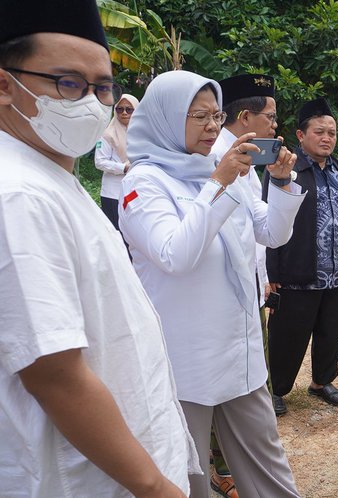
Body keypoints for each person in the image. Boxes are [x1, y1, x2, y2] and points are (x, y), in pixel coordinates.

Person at [0, 2, 196, 496]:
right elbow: (55, 374)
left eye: (102, 86)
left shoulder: (50, 178)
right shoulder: (18, 194)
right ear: (5, 85)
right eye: (68, 82)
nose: (90, 101)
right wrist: (153, 485)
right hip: (88, 478)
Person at [118, 70, 304, 498]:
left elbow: (271, 234)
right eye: (198, 116)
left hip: (239, 351)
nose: (212, 126)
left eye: (216, 116)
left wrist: (278, 182)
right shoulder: (143, 183)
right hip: (186, 362)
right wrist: (217, 183)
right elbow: (174, 255)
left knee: (268, 469)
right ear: (165, 118)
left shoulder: (223, 170)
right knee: (191, 477)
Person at [265, 97, 338, 413]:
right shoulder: (285, 170)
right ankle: (276, 389)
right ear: (300, 135)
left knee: (330, 331)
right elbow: (266, 221)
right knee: (287, 336)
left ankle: (322, 382)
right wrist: (271, 273)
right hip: (298, 273)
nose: (327, 138)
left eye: (332, 133)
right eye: (319, 132)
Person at [207, 72, 280, 498]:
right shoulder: (216, 160)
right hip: (221, 297)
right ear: (246, 115)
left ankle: (239, 463)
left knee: (252, 378)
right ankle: (221, 468)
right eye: (270, 116)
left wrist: (264, 281)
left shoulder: (249, 160)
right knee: (224, 385)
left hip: (250, 290)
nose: (275, 125)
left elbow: (257, 230)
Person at [95, 93, 138, 230]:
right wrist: (123, 168)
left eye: (129, 109)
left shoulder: (142, 133)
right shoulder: (108, 134)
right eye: (120, 109)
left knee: (133, 234)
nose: (124, 113)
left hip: (135, 191)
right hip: (113, 193)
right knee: (115, 233)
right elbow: (100, 161)